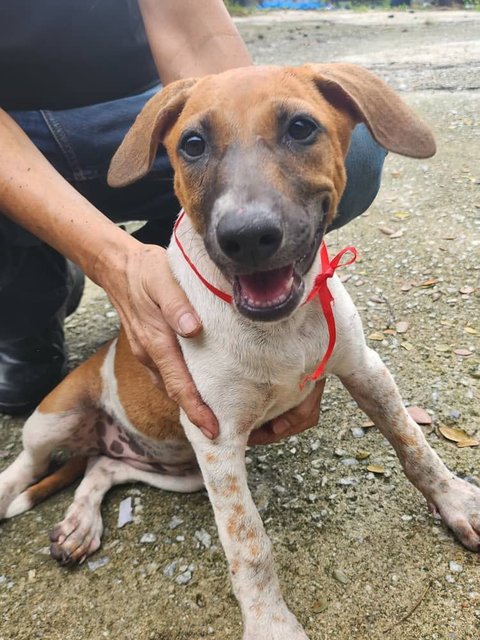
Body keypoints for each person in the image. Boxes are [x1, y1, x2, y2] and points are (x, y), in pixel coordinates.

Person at [0, 0, 387, 443]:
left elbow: (196, 40)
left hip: (133, 103)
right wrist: (113, 261)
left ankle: (190, 290)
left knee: (351, 153)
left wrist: (301, 354)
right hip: (13, 132)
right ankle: (24, 306)